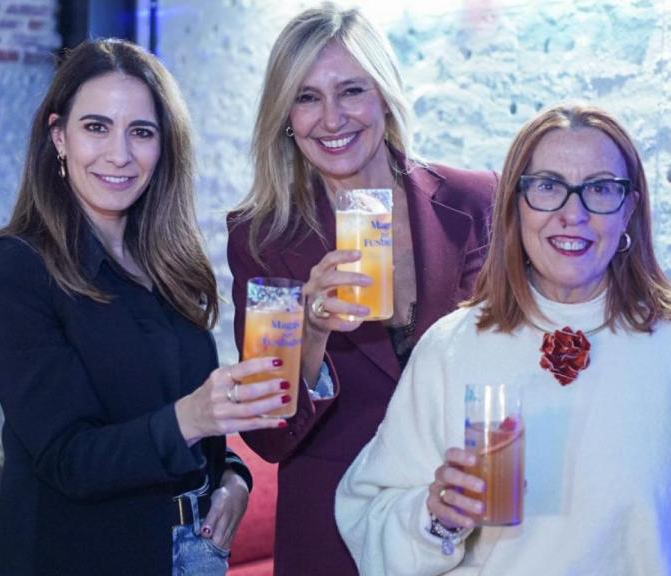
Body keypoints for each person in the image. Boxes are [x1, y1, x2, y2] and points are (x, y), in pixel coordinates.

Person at [335, 103, 671, 575]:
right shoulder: (452, 347)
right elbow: (369, 512)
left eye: (599, 189)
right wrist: (437, 518)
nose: (573, 214)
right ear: (515, 203)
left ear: (630, 208)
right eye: (548, 187)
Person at [0, 39, 289, 576]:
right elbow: (67, 458)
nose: (119, 154)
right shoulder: (12, 266)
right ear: (58, 136)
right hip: (77, 555)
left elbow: (181, 415)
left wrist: (234, 476)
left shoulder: (170, 264)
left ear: (164, 147)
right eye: (96, 127)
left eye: (141, 132)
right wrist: (194, 416)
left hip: (193, 552)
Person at [226, 4, 497, 575]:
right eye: (306, 97)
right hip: (332, 537)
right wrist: (311, 330)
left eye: (351, 90)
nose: (331, 118)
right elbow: (268, 435)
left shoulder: (474, 202)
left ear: (383, 96)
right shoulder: (264, 238)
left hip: (464, 527)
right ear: (284, 117)